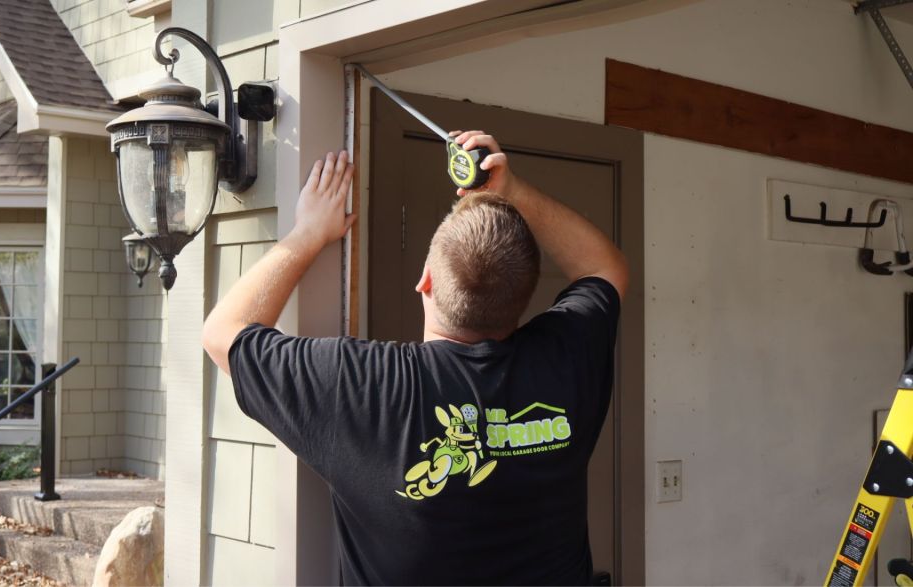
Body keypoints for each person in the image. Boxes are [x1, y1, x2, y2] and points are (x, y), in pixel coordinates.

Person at [202, 131, 628, 586]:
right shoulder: (564, 359)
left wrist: (308, 233)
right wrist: (512, 190)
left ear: (426, 280)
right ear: (524, 300)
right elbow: (603, 268)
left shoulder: (365, 386)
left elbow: (223, 333)